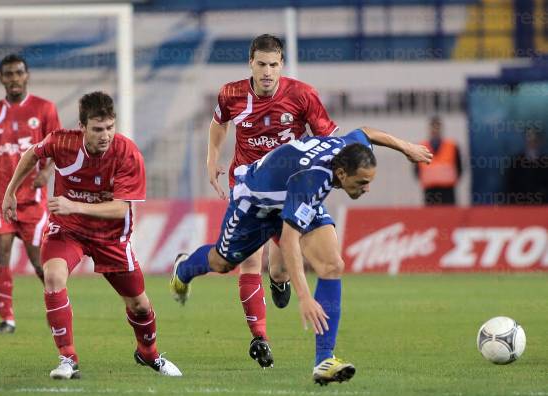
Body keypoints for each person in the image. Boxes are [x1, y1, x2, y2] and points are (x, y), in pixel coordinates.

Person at [171, 127, 432, 384]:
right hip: (255, 204)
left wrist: (406, 148)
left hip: (291, 196)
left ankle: (324, 361)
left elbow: (366, 132)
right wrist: (305, 297)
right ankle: (184, 269)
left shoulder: (349, 152)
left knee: (332, 265)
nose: (366, 189)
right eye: (362, 182)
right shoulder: (312, 180)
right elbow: (288, 240)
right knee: (222, 262)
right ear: (341, 173)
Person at [2, 91, 181, 379]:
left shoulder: (128, 153)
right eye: (98, 129)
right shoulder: (62, 141)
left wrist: (74, 204)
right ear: (82, 127)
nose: (105, 135)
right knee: (53, 277)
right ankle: (67, 358)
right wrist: (10, 192)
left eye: (110, 127)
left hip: (111, 238)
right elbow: (31, 154)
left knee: (139, 304)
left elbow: (122, 209)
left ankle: (149, 354)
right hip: (69, 229)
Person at [202, 34, 339, 368]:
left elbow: (329, 138)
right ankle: (259, 338)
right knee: (249, 262)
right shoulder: (231, 93)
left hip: (289, 188)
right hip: (247, 185)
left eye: (273, 65)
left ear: (282, 65)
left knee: (278, 269)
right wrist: (212, 158)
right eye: (261, 64)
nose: (267, 71)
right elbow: (219, 123)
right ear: (251, 62)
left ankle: (281, 281)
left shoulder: (303, 95)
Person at [0, 54, 61, 334]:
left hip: (33, 201)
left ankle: (56, 310)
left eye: (18, 72)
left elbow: (60, 146)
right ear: (1, 79)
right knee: (1, 255)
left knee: (39, 262)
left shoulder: (44, 109)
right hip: (0, 199)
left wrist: (47, 173)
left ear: (27, 75)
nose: (14, 78)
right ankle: (6, 319)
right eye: (8, 74)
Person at [415, 116, 462, 205]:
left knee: (449, 215)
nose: (435, 130)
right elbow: (417, 169)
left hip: (448, 190)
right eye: (433, 127)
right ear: (429, 129)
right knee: (431, 216)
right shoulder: (422, 147)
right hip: (430, 190)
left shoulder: (452, 146)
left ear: (441, 129)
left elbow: (459, 167)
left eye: (437, 127)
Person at [504, 128, 548, 204]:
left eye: (534, 139)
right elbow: (510, 185)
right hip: (519, 205)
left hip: (541, 205)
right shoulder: (516, 161)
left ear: (540, 141)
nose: (531, 141)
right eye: (529, 138)